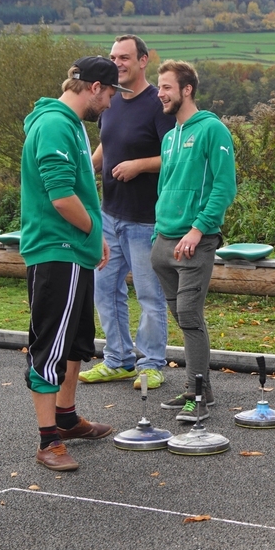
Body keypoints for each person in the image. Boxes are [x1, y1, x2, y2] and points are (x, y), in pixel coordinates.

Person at [20, 57, 128, 471]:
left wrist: (90, 238)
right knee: (49, 346)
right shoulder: (54, 124)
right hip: (57, 248)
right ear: (96, 87)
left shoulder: (71, 125)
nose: (112, 103)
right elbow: (61, 197)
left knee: (74, 340)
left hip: (73, 249)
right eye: (112, 93)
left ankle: (65, 418)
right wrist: (94, 234)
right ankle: (48, 441)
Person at [80, 35, 176, 391]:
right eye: (113, 57)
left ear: (143, 61)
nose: (117, 63)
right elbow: (108, 141)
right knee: (104, 289)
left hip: (144, 218)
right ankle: (117, 360)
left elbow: (174, 156)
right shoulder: (112, 100)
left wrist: (138, 165)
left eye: (124, 57)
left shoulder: (158, 105)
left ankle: (151, 363)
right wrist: (89, 167)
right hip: (109, 214)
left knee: (149, 295)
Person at [150, 60, 237, 423]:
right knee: (184, 318)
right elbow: (165, 185)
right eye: (159, 87)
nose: (160, 93)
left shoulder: (212, 130)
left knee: (189, 315)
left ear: (186, 89)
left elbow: (224, 186)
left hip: (194, 242)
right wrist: (158, 233)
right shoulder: (170, 137)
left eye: (167, 87)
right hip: (164, 242)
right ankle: (198, 388)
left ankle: (197, 396)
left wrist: (199, 229)